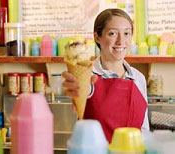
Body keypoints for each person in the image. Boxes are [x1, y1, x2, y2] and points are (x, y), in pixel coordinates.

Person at [62, 8, 149, 143]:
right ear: (97, 36)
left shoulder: (138, 78)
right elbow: (84, 90)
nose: (121, 41)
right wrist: (77, 88)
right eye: (113, 33)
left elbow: (144, 130)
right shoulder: (89, 76)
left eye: (127, 33)